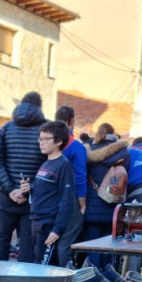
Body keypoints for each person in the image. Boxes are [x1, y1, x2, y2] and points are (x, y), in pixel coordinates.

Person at [0, 91, 45, 262]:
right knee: (28, 244)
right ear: (39, 106)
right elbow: (49, 164)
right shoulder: (45, 129)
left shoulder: (6, 128)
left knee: (1, 241)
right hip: (33, 198)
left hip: (6, 197)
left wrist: (10, 189)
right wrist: (29, 189)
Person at [24, 121, 77, 265]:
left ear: (59, 141)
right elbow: (44, 191)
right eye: (40, 139)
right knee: (36, 264)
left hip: (49, 224)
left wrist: (57, 230)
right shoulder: (45, 163)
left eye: (46, 139)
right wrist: (29, 189)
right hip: (37, 222)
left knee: (45, 268)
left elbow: (67, 200)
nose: (41, 142)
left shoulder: (63, 165)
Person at [52, 105, 87, 265]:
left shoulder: (49, 143)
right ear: (71, 121)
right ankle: (65, 280)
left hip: (50, 199)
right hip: (70, 200)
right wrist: (82, 204)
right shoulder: (76, 147)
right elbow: (79, 177)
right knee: (66, 241)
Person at [83, 124, 129, 245]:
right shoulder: (124, 153)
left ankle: (93, 264)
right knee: (109, 245)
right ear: (114, 134)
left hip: (92, 207)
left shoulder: (89, 152)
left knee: (92, 245)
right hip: (114, 207)